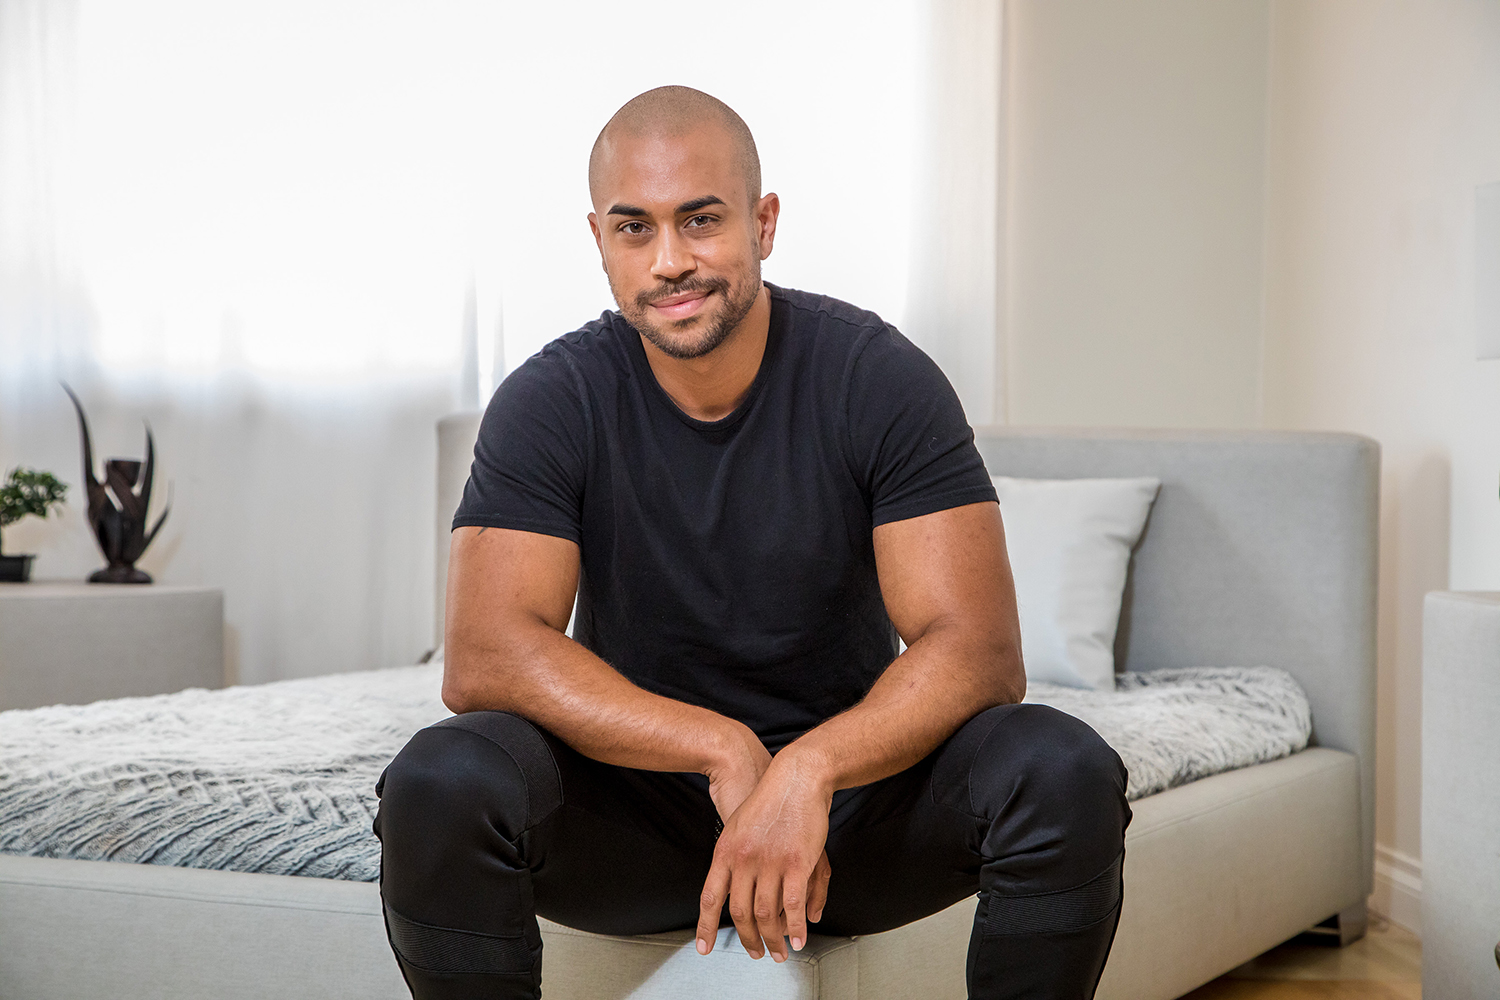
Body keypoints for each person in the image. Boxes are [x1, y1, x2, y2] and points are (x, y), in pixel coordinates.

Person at [374, 86, 1130, 1000]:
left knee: (1061, 768)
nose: (670, 262)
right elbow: (487, 654)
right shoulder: (551, 400)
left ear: (763, 223)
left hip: (849, 815)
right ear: (600, 240)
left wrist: (808, 769)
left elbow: (978, 651)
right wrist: (721, 748)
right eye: (634, 228)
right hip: (640, 812)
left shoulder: (877, 377)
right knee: (440, 779)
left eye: (701, 220)